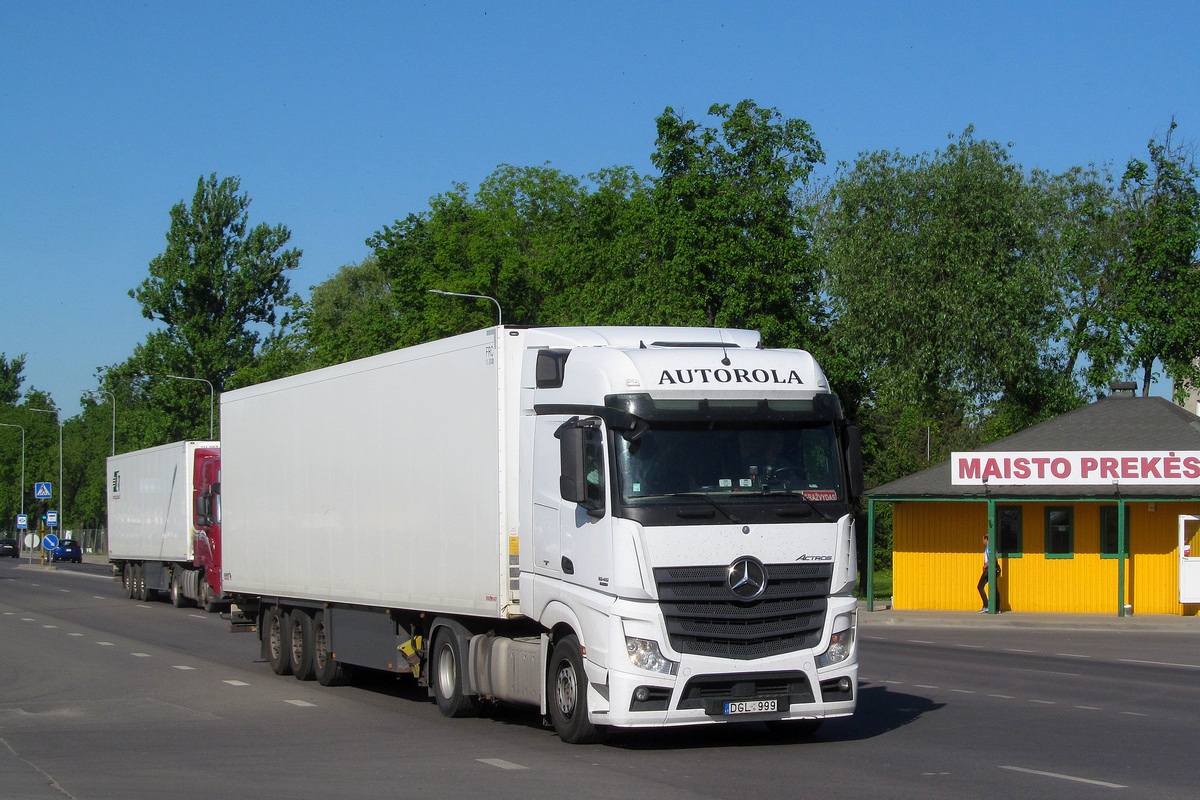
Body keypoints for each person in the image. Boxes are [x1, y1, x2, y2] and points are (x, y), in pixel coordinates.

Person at [977, 533, 1002, 613]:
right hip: (992, 570)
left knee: (980, 586)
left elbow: (992, 559)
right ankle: (997, 608)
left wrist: (985, 566)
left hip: (990, 570)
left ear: (986, 539)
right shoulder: (991, 548)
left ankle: (986, 605)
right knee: (995, 588)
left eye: (983, 539)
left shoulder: (990, 548)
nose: (982, 541)